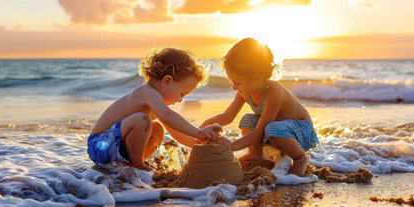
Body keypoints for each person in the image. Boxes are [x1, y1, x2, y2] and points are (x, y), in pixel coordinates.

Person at [87, 47, 221, 171]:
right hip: (100, 144)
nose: (181, 100)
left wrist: (202, 143)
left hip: (114, 148)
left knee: (157, 129)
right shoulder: (147, 93)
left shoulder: (156, 105)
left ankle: (132, 165)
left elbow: (176, 131)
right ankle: (137, 165)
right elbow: (168, 116)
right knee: (142, 120)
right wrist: (198, 132)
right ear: (167, 81)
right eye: (182, 94)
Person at [200, 38, 318, 176]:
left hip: (300, 132)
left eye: (237, 82)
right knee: (247, 119)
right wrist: (204, 127)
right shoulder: (244, 93)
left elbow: (259, 130)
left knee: (271, 127)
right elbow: (227, 117)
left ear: (257, 76)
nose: (233, 87)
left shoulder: (274, 92)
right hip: (277, 131)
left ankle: (300, 158)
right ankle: (256, 155)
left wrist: (231, 146)